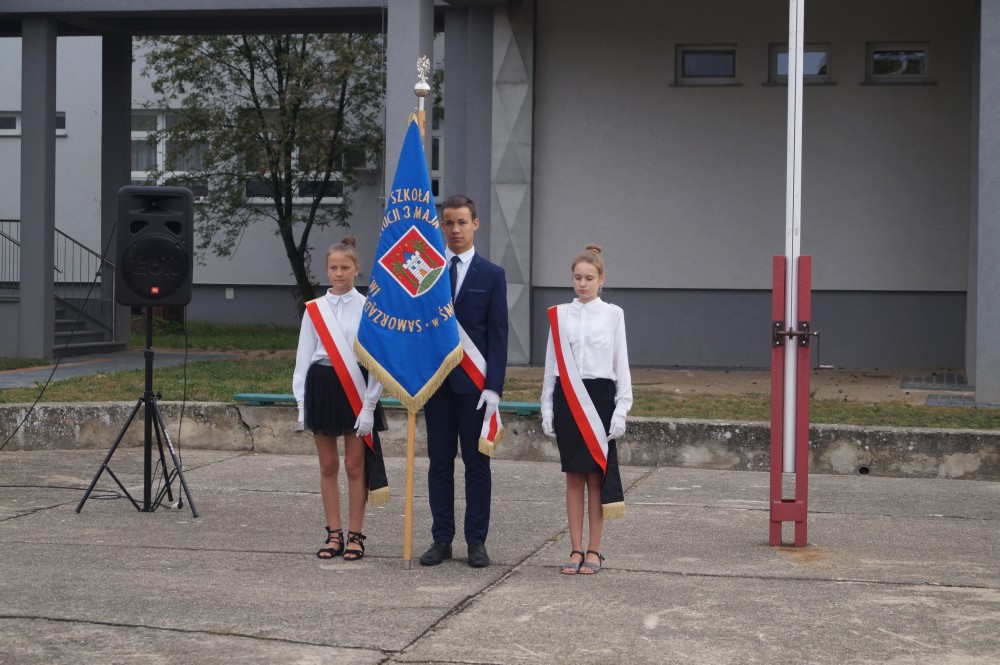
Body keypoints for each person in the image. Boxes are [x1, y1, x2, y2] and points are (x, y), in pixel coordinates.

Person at [420, 194, 508, 568]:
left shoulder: (492, 275)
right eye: (448, 223)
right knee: (439, 464)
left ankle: (476, 542)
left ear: (475, 224)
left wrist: (494, 387)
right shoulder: (427, 272)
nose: (455, 229)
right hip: (436, 385)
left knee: (477, 465)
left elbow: (498, 336)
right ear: (441, 226)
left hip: (475, 388)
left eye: (461, 222)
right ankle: (442, 539)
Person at [293, 236, 389, 562]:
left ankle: (355, 536)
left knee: (354, 465)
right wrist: (301, 402)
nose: (338, 273)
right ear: (327, 270)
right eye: (333, 268)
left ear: (356, 269)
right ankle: (333, 534)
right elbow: (304, 357)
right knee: (328, 465)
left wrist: (370, 405)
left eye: (344, 267)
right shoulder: (315, 310)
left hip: (356, 386)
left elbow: (376, 360)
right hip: (321, 384)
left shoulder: (368, 307)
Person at [540, 244, 632, 575]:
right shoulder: (559, 314)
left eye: (589, 278)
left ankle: (595, 549)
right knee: (574, 476)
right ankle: (575, 548)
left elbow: (621, 364)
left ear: (601, 279)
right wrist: (546, 405)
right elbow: (551, 364)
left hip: (600, 397)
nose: (582, 283)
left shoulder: (613, 314)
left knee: (596, 478)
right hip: (568, 397)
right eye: (577, 277)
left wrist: (622, 408)